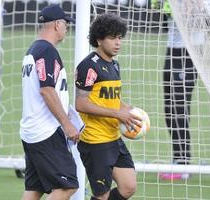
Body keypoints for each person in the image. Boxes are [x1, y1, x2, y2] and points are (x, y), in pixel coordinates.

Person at [75, 13, 141, 200]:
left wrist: (126, 108)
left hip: (113, 138)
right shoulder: (88, 66)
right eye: (112, 38)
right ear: (99, 39)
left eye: (119, 37)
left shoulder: (115, 65)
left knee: (128, 186)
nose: (117, 43)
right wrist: (116, 114)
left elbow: (111, 98)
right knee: (101, 195)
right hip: (95, 141)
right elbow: (81, 103)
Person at [20, 4, 79, 200]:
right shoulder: (46, 50)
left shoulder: (34, 49)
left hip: (32, 131)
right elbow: (46, 90)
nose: (66, 28)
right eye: (65, 24)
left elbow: (46, 84)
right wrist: (67, 124)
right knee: (67, 185)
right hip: (45, 132)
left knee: (34, 189)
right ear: (56, 25)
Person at [152, 0, 198, 180]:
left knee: (180, 107)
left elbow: (198, 16)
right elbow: (157, 10)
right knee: (169, 109)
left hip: (190, 52)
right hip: (172, 51)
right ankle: (177, 158)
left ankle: (184, 163)